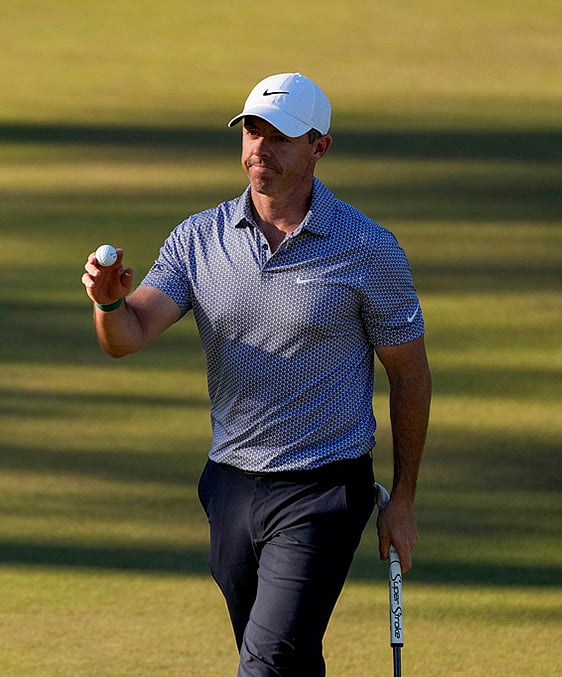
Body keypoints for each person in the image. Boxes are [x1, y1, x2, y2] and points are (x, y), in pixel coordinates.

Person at [82, 72, 431, 676]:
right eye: (251, 132)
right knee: (285, 662)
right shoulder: (200, 238)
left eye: (279, 137)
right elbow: (129, 337)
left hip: (322, 490)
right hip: (230, 487)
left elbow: (410, 375)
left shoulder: (368, 248)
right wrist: (109, 302)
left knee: (266, 665)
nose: (259, 150)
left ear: (319, 146)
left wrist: (402, 498)